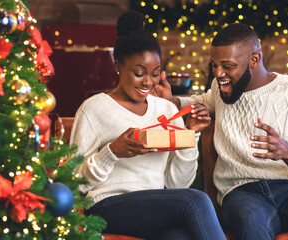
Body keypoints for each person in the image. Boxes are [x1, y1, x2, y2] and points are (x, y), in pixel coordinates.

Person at [153, 23, 288, 240]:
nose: (218, 74)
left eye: (227, 66)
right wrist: (171, 101)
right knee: (250, 219)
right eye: (214, 65)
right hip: (242, 191)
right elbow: (203, 101)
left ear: (254, 60)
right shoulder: (221, 89)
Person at [70, 12, 226, 240]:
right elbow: (74, 182)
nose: (148, 82)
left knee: (179, 237)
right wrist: (112, 152)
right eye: (139, 73)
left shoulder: (166, 110)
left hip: (156, 205)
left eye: (154, 74)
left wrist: (189, 136)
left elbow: (176, 186)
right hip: (106, 207)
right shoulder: (94, 109)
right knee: (197, 199)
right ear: (118, 67)